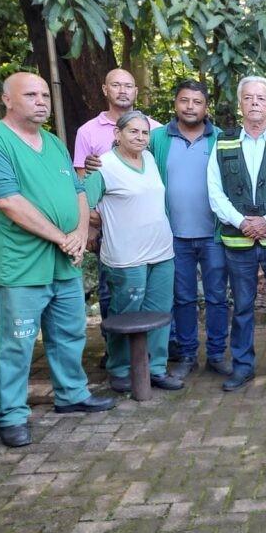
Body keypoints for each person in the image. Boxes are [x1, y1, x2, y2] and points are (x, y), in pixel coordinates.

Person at [0, 73, 114, 448]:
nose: (41, 101)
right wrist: (61, 237)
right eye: (30, 94)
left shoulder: (52, 143)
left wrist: (81, 233)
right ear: (7, 100)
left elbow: (79, 191)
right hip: (20, 265)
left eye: (44, 95)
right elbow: (8, 201)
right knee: (17, 343)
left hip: (63, 262)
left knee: (70, 333)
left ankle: (72, 394)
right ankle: (12, 415)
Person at [206, 76, 266, 391]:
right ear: (240, 104)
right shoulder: (223, 142)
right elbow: (214, 191)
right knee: (243, 306)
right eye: (248, 98)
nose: (254, 103)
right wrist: (241, 222)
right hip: (239, 241)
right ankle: (243, 366)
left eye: (260, 98)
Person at [84, 111, 183, 392]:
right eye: (133, 132)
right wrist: (101, 221)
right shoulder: (103, 165)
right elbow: (83, 203)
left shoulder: (149, 160)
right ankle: (120, 369)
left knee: (160, 312)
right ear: (117, 134)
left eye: (144, 132)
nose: (140, 137)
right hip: (126, 256)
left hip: (162, 251)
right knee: (125, 313)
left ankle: (156, 368)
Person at [149, 80, 231, 380]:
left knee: (217, 297)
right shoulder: (157, 138)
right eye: (185, 101)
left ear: (206, 106)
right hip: (173, 235)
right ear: (175, 104)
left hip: (213, 234)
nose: (190, 107)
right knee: (182, 298)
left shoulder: (221, 139)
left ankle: (217, 354)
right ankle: (186, 354)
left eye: (197, 102)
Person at [73, 69, 160, 347]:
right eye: (116, 85)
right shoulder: (87, 131)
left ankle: (147, 357)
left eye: (128, 85)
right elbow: (81, 183)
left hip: (151, 232)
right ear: (104, 89)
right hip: (108, 231)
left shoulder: (155, 129)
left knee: (150, 296)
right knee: (112, 293)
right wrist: (89, 226)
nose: (122, 90)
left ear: (136, 91)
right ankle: (116, 356)